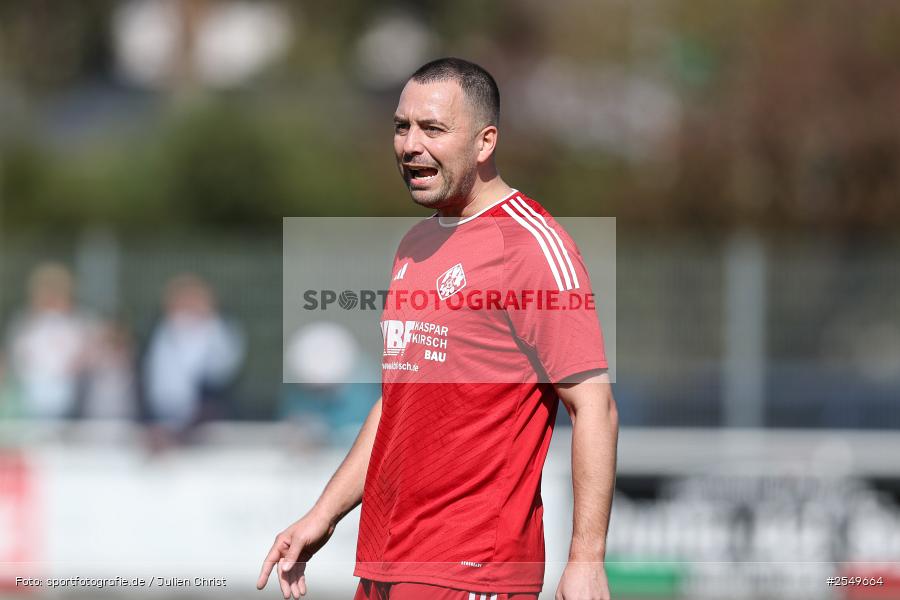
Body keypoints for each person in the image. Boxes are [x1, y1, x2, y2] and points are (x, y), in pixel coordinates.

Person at [258, 58, 618, 600]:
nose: (409, 144)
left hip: (472, 564)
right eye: (402, 126)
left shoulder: (532, 248)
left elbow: (594, 406)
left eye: (432, 129)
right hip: (388, 559)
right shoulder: (416, 244)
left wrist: (586, 559)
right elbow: (396, 403)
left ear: (484, 141)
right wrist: (323, 515)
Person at [140, 273, 244, 446]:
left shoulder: (219, 329)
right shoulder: (156, 328)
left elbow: (223, 370)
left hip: (202, 420)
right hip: (158, 416)